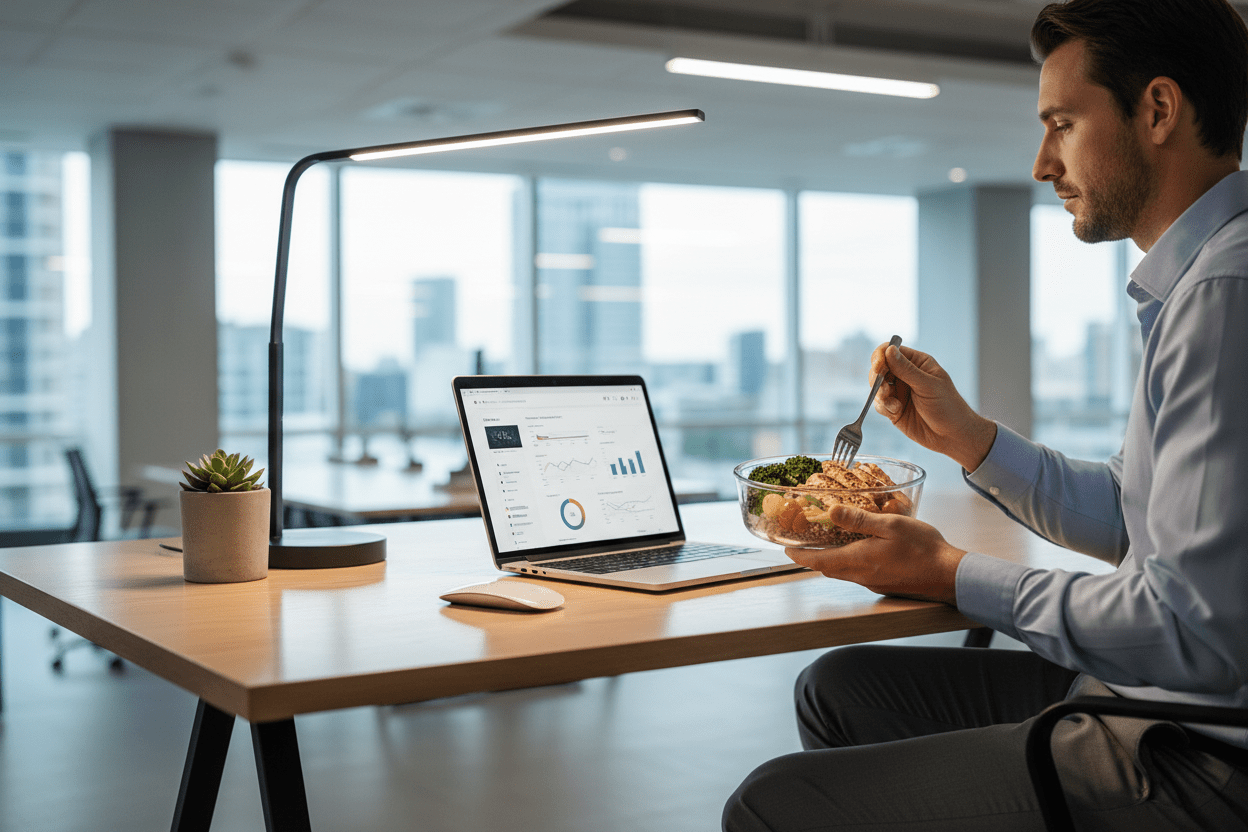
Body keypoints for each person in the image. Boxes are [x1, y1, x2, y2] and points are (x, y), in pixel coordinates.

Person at [723, 0, 1248, 829]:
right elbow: (1135, 513)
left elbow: (1191, 628)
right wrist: (966, 439)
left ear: (1157, 110)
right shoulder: (1199, 284)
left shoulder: (1225, 297)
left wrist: (953, 575)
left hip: (1197, 752)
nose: (1043, 163)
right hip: (1156, 698)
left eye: (1063, 124)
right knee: (842, 686)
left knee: (771, 803)